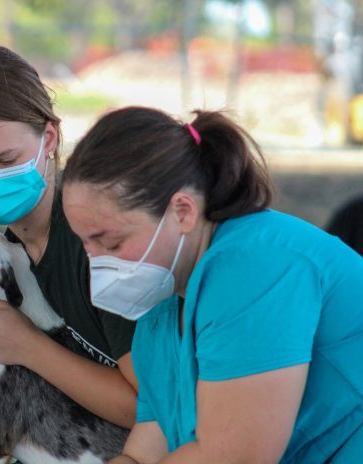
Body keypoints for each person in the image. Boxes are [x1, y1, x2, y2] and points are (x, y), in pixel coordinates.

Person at [61, 106, 363, 463]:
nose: (96, 261)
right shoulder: (159, 318)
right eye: (85, 244)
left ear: (183, 212)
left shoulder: (254, 269)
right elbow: (145, 452)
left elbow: (233, 456)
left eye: (111, 243)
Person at [0, 46, 138, 462]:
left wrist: (25, 346)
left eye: (5, 159)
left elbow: (146, 406)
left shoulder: (96, 243)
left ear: (50, 138)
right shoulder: (5, 256)